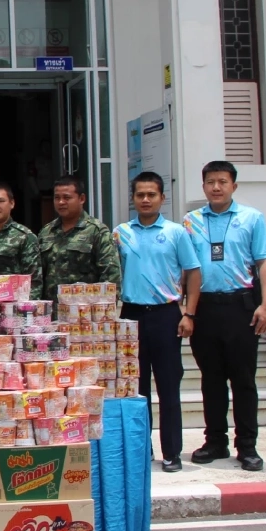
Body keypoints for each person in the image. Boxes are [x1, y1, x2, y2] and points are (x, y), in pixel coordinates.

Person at [183, 160, 266, 473]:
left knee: (244, 380)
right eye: (210, 182)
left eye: (222, 181)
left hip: (240, 307)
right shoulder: (190, 222)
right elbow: (185, 266)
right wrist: (186, 310)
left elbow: (263, 262)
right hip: (204, 308)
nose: (216, 187)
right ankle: (215, 441)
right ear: (203, 186)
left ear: (234, 185)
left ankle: (247, 446)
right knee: (211, 379)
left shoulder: (251, 218)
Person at [114, 172, 201, 473]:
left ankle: (172, 452)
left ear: (163, 198)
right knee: (135, 390)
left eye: (152, 194)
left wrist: (188, 312)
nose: (146, 199)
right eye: (140, 195)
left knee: (168, 387)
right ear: (133, 198)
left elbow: (193, 272)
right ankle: (141, 449)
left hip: (166, 315)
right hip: (131, 315)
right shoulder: (121, 232)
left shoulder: (177, 233)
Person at [38, 176, 121, 298]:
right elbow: (38, 275)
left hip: (83, 311)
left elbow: (110, 276)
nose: (61, 202)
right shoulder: (46, 232)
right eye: (57, 198)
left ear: (81, 199)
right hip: (52, 313)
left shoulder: (97, 231)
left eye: (67, 197)